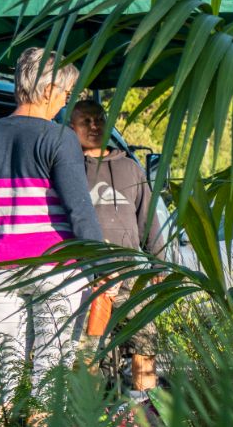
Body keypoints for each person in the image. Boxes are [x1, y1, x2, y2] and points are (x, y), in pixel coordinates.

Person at [0, 48, 104, 397]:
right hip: (54, 264)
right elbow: (80, 210)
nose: (63, 102)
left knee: (1, 372)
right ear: (47, 90)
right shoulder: (58, 137)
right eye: (64, 93)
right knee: (50, 372)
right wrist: (102, 264)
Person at [68, 98, 166, 391]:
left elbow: (147, 219)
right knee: (85, 355)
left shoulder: (129, 168)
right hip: (86, 279)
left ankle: (145, 411)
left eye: (99, 119)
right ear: (71, 128)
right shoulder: (68, 169)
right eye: (85, 121)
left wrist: (158, 262)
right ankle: (90, 422)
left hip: (130, 277)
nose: (94, 126)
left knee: (145, 342)